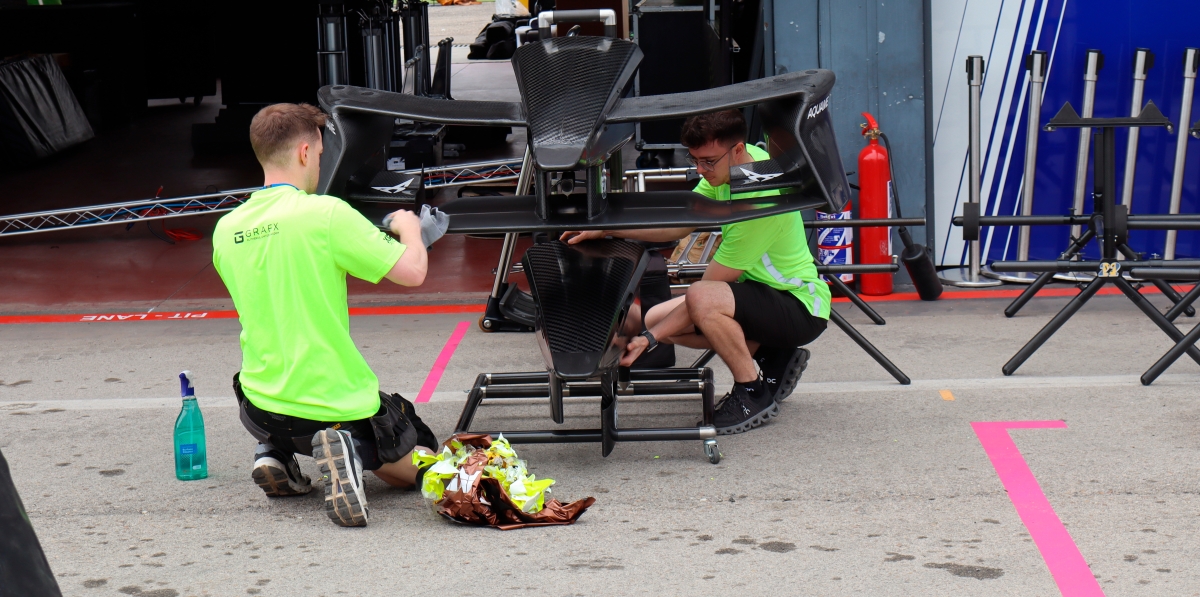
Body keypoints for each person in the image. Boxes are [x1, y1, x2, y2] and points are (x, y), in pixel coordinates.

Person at [212, 103, 437, 527]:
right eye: (319, 154)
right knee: (421, 456)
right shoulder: (326, 214)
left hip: (260, 403)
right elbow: (413, 272)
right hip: (331, 404)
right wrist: (409, 229)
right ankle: (347, 452)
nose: (319, 163)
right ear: (303, 152)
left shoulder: (226, 229)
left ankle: (274, 451)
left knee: (286, 413)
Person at [561, 109, 829, 435]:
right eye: (696, 160)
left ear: (738, 149)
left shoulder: (760, 200)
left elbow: (703, 295)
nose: (701, 170)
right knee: (655, 316)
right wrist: (609, 230)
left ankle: (752, 393)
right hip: (762, 295)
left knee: (698, 302)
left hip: (798, 305)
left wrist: (648, 340)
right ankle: (775, 356)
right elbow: (682, 222)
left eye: (709, 162)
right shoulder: (736, 169)